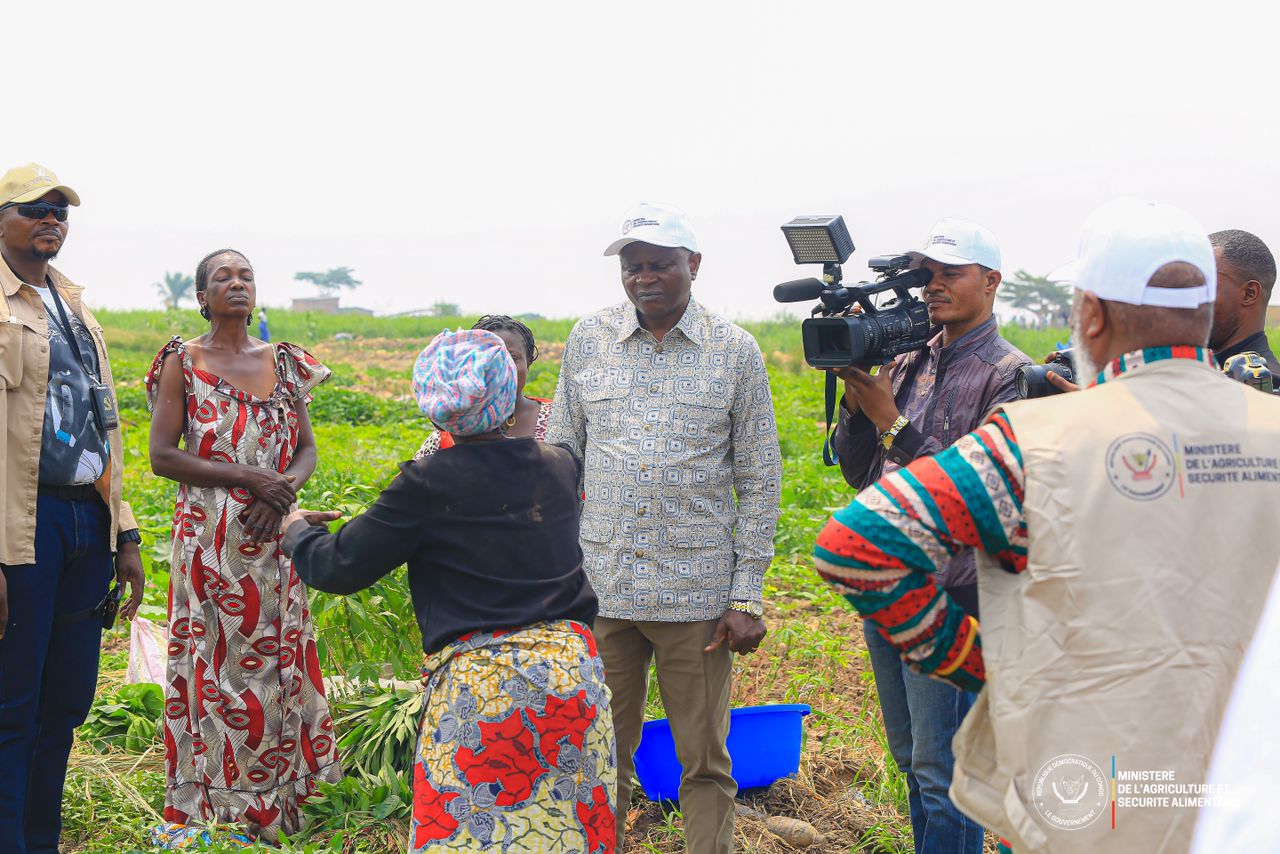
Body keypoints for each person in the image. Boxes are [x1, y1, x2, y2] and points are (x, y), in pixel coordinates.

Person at [813, 197, 1280, 852]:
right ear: (1203, 313)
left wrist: (981, 666)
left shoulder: (1041, 439)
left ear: (1090, 315)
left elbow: (855, 544)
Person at [282, 328, 615, 853]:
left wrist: (298, 531)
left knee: (473, 836)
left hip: (485, 691)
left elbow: (338, 568)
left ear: (434, 404)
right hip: (573, 680)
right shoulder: (558, 465)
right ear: (507, 395)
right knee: (563, 832)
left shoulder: (427, 483)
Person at [547, 202, 782, 853]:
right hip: (604, 589)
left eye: (659, 265)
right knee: (599, 757)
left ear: (693, 264)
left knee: (703, 762)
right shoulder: (590, 339)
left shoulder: (734, 351)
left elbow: (760, 478)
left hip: (695, 598)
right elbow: (562, 457)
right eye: (632, 266)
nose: (643, 278)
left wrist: (745, 595)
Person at [830, 218, 1028, 854]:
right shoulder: (906, 360)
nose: (933, 285)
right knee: (913, 760)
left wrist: (892, 422)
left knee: (947, 774)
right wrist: (857, 399)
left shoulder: (1010, 375)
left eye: (950, 273)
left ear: (991, 281)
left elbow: (981, 495)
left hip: (958, 597)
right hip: (892, 587)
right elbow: (860, 472)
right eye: (926, 275)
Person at [145, 248, 341, 845]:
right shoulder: (184, 361)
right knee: (217, 665)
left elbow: (305, 449)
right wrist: (250, 477)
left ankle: (286, 799)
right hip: (211, 541)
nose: (237, 283)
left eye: (246, 276)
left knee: (281, 662)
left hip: (276, 537)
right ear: (202, 296)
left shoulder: (282, 363)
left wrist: (281, 493)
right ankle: (218, 803)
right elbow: (162, 456)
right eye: (222, 277)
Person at [0, 162, 145, 854]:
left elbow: (101, 426)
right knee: (12, 705)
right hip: (22, 524)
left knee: (66, 701)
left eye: (61, 211)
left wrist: (126, 532)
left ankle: (42, 840)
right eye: (35, 208)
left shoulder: (74, 306)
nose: (52, 220)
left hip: (87, 521)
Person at [415, 315, 550, 457]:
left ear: (528, 363)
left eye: (513, 358)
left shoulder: (555, 418)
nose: (503, 367)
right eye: (489, 359)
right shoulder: (450, 431)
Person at [1207, 229, 1278, 375]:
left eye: (1205, 286)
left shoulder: (1267, 383)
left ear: (1249, 293)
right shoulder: (1203, 371)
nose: (1193, 300)